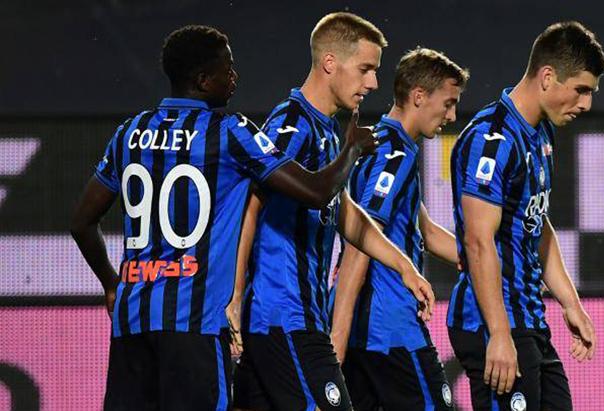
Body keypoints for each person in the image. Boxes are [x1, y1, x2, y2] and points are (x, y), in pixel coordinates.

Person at [70, 24, 378, 411]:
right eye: (226, 69)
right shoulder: (230, 133)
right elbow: (316, 191)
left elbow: (81, 222)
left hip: (133, 323)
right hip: (195, 325)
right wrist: (352, 149)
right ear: (203, 80)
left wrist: (111, 283)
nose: (234, 77)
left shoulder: (130, 133)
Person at [232, 12, 435, 411]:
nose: (372, 83)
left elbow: (346, 213)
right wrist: (235, 296)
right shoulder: (292, 124)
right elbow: (249, 206)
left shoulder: (326, 129)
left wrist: (404, 267)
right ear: (330, 63)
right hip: (284, 316)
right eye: (365, 69)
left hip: (296, 317)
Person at [446, 21, 604, 411]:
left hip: (529, 321)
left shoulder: (541, 134)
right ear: (547, 77)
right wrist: (499, 334)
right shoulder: (492, 140)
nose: (586, 104)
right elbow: (478, 241)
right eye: (581, 90)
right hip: (492, 323)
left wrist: (570, 303)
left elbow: (536, 222)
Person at [328, 47, 469, 411]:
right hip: (389, 329)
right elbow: (360, 244)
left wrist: (492, 263)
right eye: (448, 103)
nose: (452, 115)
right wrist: (336, 341)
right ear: (419, 96)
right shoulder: (396, 156)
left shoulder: (379, 144)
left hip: (365, 330)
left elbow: (427, 232)